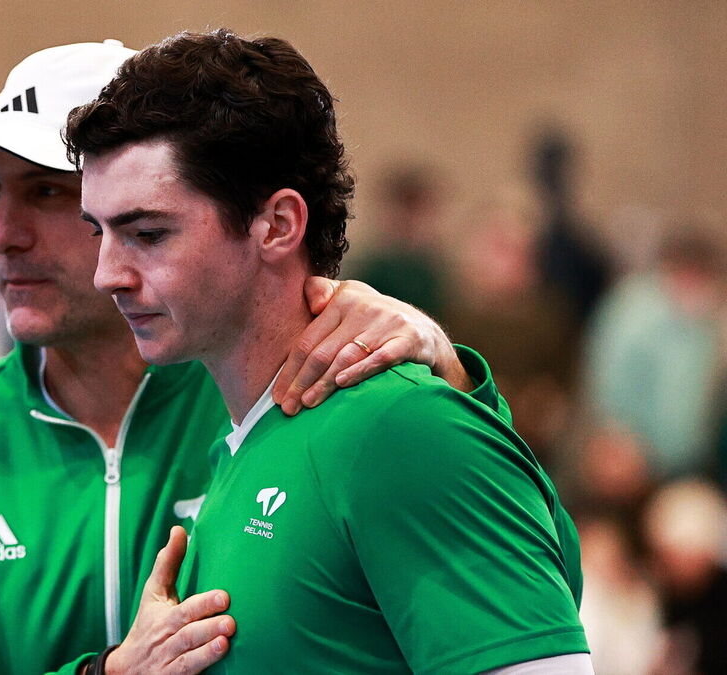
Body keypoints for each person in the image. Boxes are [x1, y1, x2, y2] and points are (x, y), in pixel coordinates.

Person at [0, 39, 508, 675]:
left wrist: (444, 369)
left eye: (47, 192)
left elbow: (513, 575)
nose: (1, 234)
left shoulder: (277, 389)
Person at [68, 29, 589, 672]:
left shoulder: (400, 427)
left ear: (278, 225)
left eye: (147, 233)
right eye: (99, 233)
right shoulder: (246, 439)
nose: (106, 274)